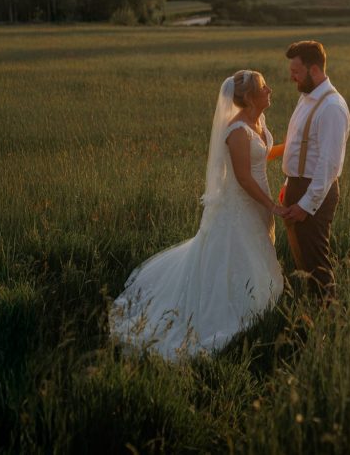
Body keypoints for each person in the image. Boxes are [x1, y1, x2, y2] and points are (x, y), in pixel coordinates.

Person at [109, 70, 285, 360]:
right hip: (241, 205)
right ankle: (230, 311)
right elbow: (243, 177)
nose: (270, 91)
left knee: (257, 253)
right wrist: (272, 205)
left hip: (258, 202)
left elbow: (262, 155)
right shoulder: (237, 131)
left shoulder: (257, 121)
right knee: (236, 257)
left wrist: (291, 146)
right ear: (251, 97)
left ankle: (255, 302)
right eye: (265, 88)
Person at [280, 41, 350, 300]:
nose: (292, 76)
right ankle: (314, 317)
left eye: (296, 71)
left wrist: (306, 203)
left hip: (314, 193)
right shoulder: (307, 98)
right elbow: (299, 145)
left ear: (314, 70)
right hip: (297, 186)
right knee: (304, 263)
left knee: (316, 267)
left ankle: (329, 323)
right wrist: (289, 185)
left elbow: (328, 164)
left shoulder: (331, 107)